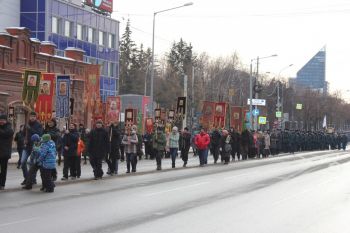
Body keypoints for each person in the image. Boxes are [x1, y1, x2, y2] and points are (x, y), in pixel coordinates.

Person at [21, 111, 43, 185]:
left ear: (35, 117)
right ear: (29, 117)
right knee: (22, 162)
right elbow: (22, 134)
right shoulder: (26, 124)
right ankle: (27, 178)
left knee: (32, 164)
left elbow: (39, 134)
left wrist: (30, 129)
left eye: (33, 116)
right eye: (31, 116)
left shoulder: (39, 125)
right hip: (26, 147)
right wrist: (24, 139)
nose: (32, 118)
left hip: (35, 147)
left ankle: (32, 179)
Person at [0, 114, 14, 190]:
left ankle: (2, 184)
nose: (1, 121)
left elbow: (5, 133)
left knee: (3, 169)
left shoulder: (9, 128)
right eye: (0, 120)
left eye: (3, 120)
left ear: (5, 120)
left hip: (4, 153)